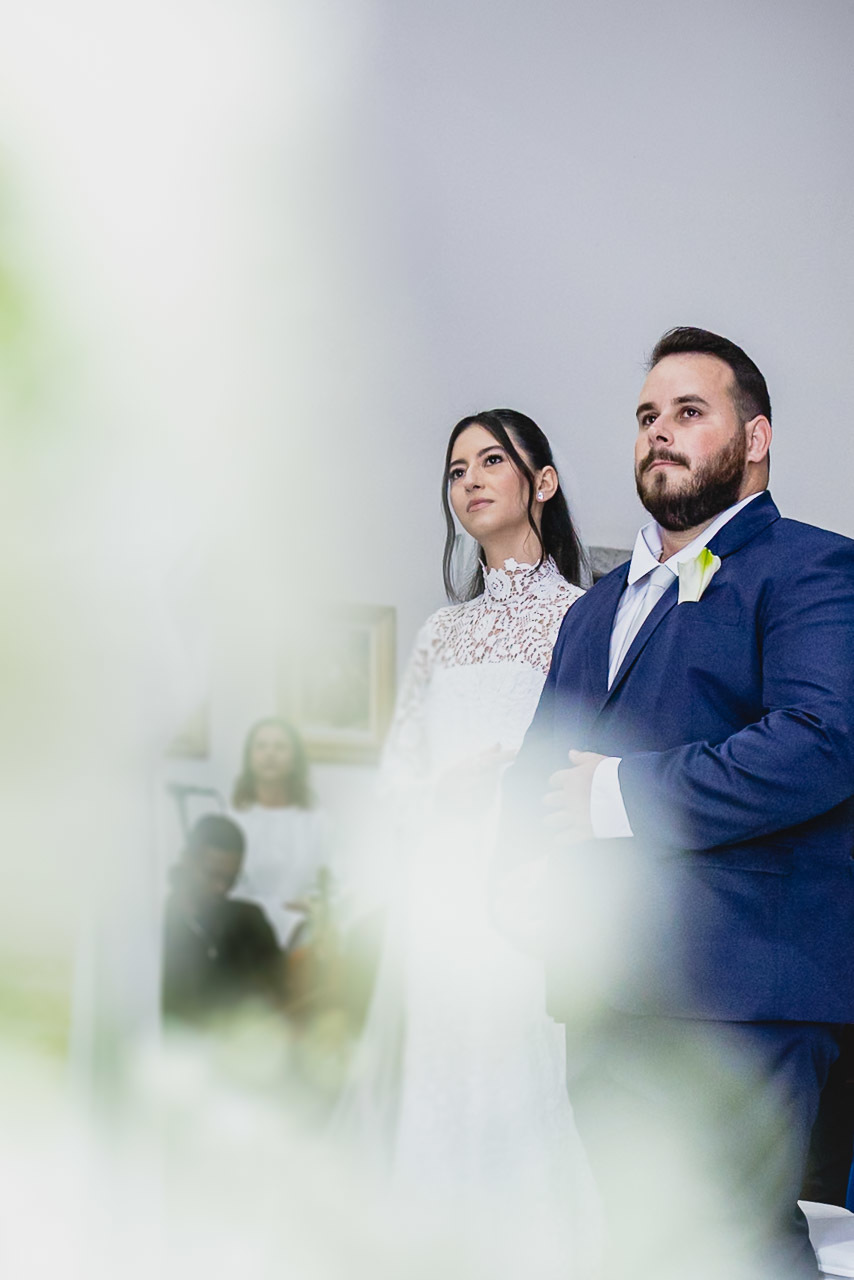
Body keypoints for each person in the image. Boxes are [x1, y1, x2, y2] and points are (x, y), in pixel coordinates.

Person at [496, 327, 854, 1279]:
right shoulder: (594, 607)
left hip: (744, 989)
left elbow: (824, 743)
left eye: (690, 413)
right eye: (648, 416)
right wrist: (516, 881)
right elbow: (537, 776)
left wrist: (624, 794)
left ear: (757, 436)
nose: (660, 432)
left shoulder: (812, 568)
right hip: (605, 995)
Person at [340, 409, 600, 1275]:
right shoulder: (438, 635)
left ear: (543, 482)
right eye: (457, 470)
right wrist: (443, 791)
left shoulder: (586, 620)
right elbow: (393, 786)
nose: (472, 481)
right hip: (441, 900)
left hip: (536, 894)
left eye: (493, 461)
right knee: (441, 1094)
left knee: (531, 1089)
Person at [162, 813, 284, 1022]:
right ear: (187, 860)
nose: (221, 888)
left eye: (231, 879)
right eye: (212, 875)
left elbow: (280, 990)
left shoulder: (251, 921)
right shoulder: (159, 927)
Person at [230, 718, 333, 949]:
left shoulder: (318, 821)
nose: (270, 755)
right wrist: (279, 913)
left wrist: (316, 904)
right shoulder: (233, 820)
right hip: (248, 936)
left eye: (280, 747)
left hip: (306, 940)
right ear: (250, 757)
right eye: (261, 746)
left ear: (295, 759)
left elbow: (336, 880)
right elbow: (230, 890)